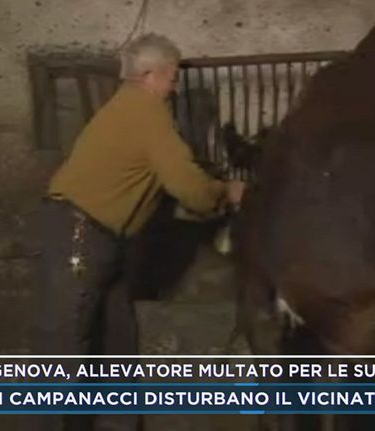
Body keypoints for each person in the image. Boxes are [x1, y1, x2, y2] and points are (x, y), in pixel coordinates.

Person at [34, 33, 245, 430]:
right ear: (151, 74)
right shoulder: (147, 111)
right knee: (63, 342)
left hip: (102, 236)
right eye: (172, 77)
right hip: (79, 232)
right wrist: (225, 192)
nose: (174, 87)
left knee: (115, 339)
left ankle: (117, 424)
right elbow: (187, 185)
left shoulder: (127, 107)